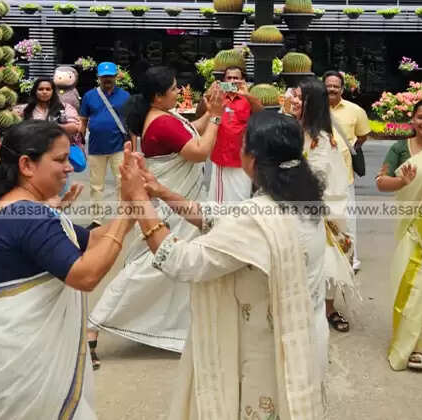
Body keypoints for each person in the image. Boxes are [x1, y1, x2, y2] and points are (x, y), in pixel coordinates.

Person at [120, 112, 325, 420]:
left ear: (252, 160)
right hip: (301, 340)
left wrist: (138, 199)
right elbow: (218, 215)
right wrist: (159, 191)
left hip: (264, 353)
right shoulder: (303, 199)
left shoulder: (257, 219)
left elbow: (180, 261)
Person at [0, 120, 135, 419]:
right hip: (23, 364)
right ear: (27, 164)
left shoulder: (23, 208)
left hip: (12, 355)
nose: (69, 168)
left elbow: (92, 241)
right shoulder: (27, 216)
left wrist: (129, 208)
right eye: (61, 159)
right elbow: (85, 274)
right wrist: (130, 208)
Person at [87, 66, 225, 361]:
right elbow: (199, 151)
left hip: (179, 205)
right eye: (174, 89)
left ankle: (178, 329)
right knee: (151, 267)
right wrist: (215, 116)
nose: (178, 92)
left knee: (175, 270)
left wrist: (209, 112)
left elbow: (194, 129)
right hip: (172, 209)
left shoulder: (166, 116)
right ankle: (93, 326)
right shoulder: (161, 122)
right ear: (157, 96)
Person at [375, 98, 422, 371]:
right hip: (410, 226)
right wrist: (402, 181)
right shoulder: (399, 148)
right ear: (413, 119)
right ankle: (407, 338)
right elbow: (381, 182)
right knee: (410, 283)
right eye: (421, 117)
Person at [289, 77, 355, 333]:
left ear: (311, 103)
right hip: (291, 205)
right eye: (292, 95)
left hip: (320, 209)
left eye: (298, 97)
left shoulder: (323, 139)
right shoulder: (290, 128)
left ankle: (327, 309)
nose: (292, 101)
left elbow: (317, 177)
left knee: (326, 259)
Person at [324, 70, 370, 273]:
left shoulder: (355, 110)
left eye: (335, 86)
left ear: (342, 89)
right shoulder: (312, 109)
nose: (331, 89)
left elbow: (362, 137)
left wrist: (347, 147)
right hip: (319, 175)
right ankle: (325, 258)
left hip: (345, 175)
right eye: (328, 85)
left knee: (348, 219)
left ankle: (352, 257)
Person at [196, 65, 263, 203]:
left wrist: (247, 94)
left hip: (242, 159)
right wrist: (208, 95)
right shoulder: (218, 97)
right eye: (229, 78)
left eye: (236, 78)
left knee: (242, 199)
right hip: (222, 158)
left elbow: (261, 114)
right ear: (224, 80)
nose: (232, 81)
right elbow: (200, 113)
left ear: (242, 80)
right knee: (221, 203)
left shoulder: (248, 99)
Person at [80, 62, 131, 229]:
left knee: (121, 182)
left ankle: (121, 216)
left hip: (119, 146)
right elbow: (83, 120)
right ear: (99, 78)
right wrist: (80, 141)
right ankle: (97, 219)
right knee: (96, 185)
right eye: (104, 76)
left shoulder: (124, 96)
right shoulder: (89, 96)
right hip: (96, 147)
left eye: (110, 76)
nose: (107, 79)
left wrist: (133, 147)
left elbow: (130, 122)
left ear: (116, 76)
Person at [15, 78, 83, 194]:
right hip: (34, 157)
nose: (44, 92)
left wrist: (42, 127)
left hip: (58, 157)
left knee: (59, 193)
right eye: (40, 89)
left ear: (53, 91)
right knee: (36, 192)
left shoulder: (65, 108)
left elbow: (74, 128)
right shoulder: (25, 110)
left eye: (48, 89)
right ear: (35, 91)